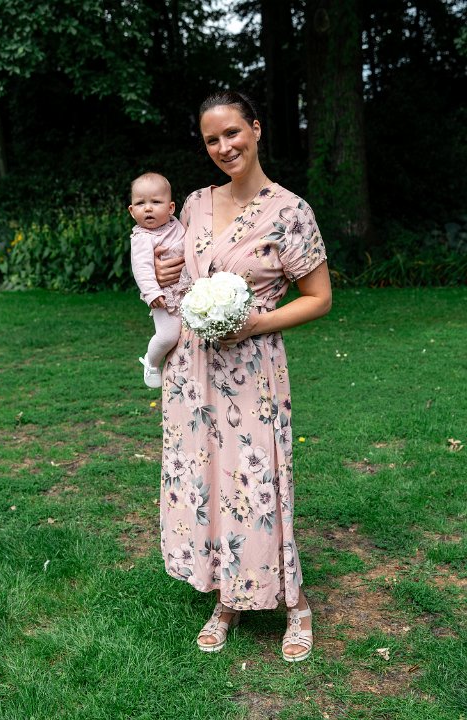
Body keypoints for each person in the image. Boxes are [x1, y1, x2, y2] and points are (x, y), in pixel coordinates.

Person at [154, 91, 332, 662]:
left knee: (257, 483)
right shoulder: (195, 205)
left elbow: (320, 298)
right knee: (208, 479)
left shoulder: (290, 211)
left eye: (232, 132)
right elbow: (177, 273)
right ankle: (227, 599)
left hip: (252, 369)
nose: (224, 146)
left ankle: (295, 603)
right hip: (192, 369)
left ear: (255, 128)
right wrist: (166, 268)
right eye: (212, 139)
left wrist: (257, 323)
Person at [129, 172, 190, 388]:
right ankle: (152, 362)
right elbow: (142, 268)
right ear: (131, 211)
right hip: (164, 296)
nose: (148, 208)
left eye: (155, 202)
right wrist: (152, 293)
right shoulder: (142, 238)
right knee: (167, 336)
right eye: (140, 203)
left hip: (187, 290)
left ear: (171, 208)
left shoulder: (177, 225)